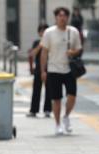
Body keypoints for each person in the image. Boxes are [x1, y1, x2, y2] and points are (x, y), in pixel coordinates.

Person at [40, 7, 82, 135]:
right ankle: (57, 124)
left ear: (67, 17)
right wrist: (43, 70)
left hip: (69, 69)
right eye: (59, 15)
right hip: (53, 69)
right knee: (56, 99)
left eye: (64, 15)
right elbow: (44, 52)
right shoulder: (49, 32)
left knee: (72, 96)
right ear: (55, 17)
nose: (62, 18)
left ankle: (66, 116)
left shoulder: (73, 31)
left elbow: (79, 49)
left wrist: (72, 52)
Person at [27, 24, 51, 118]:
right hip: (38, 69)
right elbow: (32, 54)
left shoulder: (51, 42)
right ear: (39, 33)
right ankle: (34, 110)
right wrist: (41, 45)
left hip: (49, 68)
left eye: (45, 31)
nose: (44, 33)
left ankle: (47, 110)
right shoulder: (37, 42)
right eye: (42, 31)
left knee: (49, 89)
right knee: (36, 89)